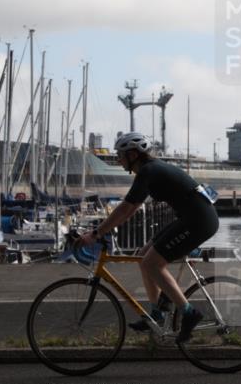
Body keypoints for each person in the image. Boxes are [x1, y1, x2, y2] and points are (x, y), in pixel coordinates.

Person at [74, 132, 219, 343]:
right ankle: (156, 314)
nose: (118, 159)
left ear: (133, 154)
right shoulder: (150, 170)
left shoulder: (148, 171)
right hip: (191, 218)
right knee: (144, 257)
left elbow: (126, 207)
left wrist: (97, 233)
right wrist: (103, 230)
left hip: (198, 221)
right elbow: (131, 209)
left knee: (152, 263)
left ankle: (189, 313)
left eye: (121, 155)